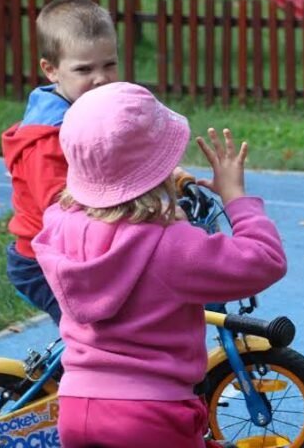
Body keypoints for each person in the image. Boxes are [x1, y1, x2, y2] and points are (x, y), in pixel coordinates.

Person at [31, 82, 288, 447]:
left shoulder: (59, 224)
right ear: (161, 172)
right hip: (152, 413)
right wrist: (236, 198)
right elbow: (265, 260)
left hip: (76, 405)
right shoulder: (171, 246)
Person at [1, 0, 119, 324]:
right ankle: (80, 375)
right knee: (98, 334)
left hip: (77, 248)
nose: (101, 78)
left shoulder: (92, 107)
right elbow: (58, 205)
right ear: (51, 70)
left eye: (109, 64)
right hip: (42, 260)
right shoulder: (46, 140)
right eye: (84, 69)